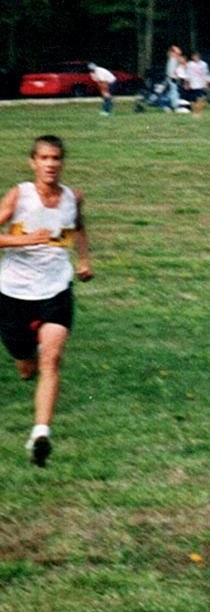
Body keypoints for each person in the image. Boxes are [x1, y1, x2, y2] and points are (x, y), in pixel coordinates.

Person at [0, 135, 93, 466]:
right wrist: (19, 240)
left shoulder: (72, 197)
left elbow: (77, 226)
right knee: (26, 367)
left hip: (56, 289)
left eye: (56, 158)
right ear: (33, 162)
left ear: (62, 162)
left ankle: (40, 434)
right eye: (44, 158)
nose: (51, 164)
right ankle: (28, 357)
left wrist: (83, 261)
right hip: (14, 293)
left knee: (51, 360)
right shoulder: (19, 195)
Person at [184, 52, 209, 117]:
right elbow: (187, 74)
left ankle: (199, 112)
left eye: (197, 56)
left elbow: (205, 74)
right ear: (192, 57)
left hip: (200, 84)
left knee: (200, 99)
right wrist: (187, 83)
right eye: (194, 56)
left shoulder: (203, 64)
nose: (196, 58)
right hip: (193, 84)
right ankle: (194, 112)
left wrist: (206, 83)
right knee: (193, 100)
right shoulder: (190, 64)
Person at [165, 45, 184, 111]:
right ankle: (173, 106)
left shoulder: (175, 59)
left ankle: (172, 106)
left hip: (173, 78)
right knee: (173, 92)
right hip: (171, 78)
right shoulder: (172, 59)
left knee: (172, 92)